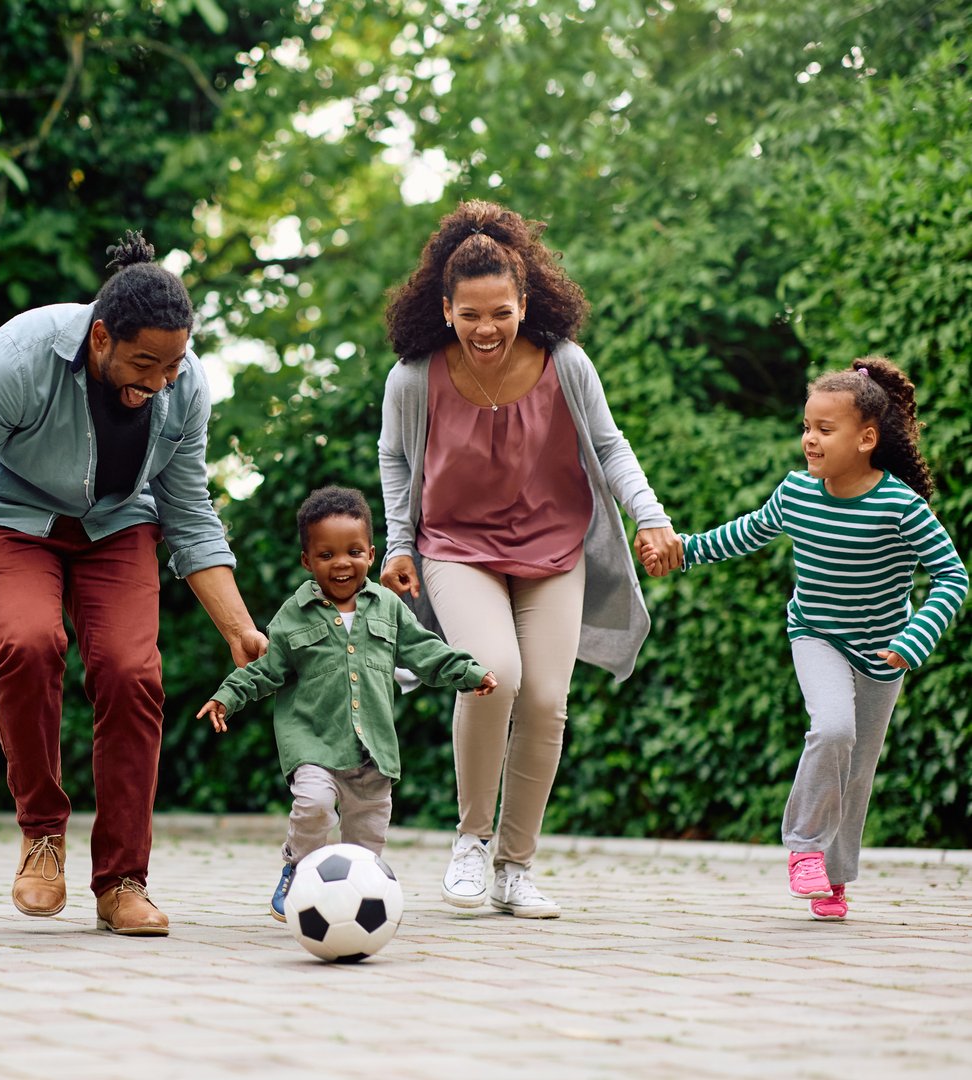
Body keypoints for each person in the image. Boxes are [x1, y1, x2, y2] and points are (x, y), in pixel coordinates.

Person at [0, 231, 269, 937]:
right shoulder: (18, 360)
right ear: (101, 337)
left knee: (132, 672)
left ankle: (122, 880)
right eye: (145, 363)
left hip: (119, 524)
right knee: (28, 642)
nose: (161, 381)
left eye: (174, 364)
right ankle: (42, 835)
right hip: (11, 516)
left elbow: (188, 511)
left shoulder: (185, 386)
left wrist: (238, 629)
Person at [378, 200, 682, 919]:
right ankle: (471, 841)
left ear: (524, 303)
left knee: (546, 699)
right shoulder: (414, 377)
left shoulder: (565, 365)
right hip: (456, 546)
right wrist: (397, 543)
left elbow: (608, 446)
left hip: (551, 546)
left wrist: (652, 515)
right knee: (492, 674)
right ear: (445, 309)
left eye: (501, 313)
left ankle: (515, 868)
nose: (486, 329)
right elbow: (396, 459)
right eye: (470, 314)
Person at [642, 358, 966, 920]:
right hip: (816, 634)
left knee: (857, 769)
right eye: (806, 427)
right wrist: (683, 551)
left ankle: (834, 880)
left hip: (885, 651)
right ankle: (805, 849)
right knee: (833, 728)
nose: (809, 439)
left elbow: (952, 577)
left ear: (866, 439)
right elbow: (745, 532)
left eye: (824, 429)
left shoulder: (900, 505)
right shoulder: (796, 492)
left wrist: (915, 639)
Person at [196, 486, 498, 922]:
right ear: (307, 561)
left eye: (353, 552)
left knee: (367, 838)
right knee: (314, 805)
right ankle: (298, 866)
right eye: (326, 554)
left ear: (371, 555)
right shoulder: (293, 615)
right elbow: (265, 670)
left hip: (372, 749)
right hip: (313, 743)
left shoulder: (388, 608)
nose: (341, 563)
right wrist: (227, 695)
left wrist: (469, 673)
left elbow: (425, 651)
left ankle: (358, 903)